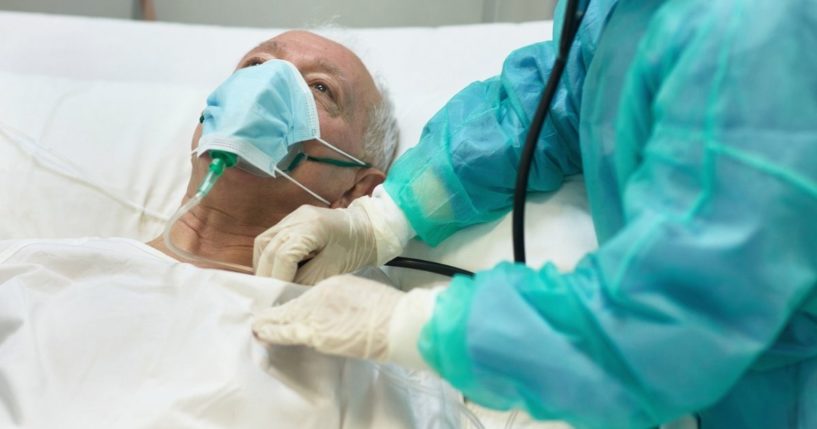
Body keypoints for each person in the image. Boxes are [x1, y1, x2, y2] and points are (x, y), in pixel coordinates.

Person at [251, 1, 817, 428]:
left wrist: (415, 329)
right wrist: (385, 218)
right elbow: (562, 97)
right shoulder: (627, 11)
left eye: (320, 89)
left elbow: (676, 318)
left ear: (358, 177)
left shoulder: (756, 37)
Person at [0, 30, 436, 429]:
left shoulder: (358, 346)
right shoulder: (30, 270)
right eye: (254, 67)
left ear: (356, 189)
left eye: (320, 88)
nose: (267, 86)